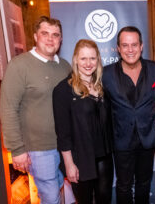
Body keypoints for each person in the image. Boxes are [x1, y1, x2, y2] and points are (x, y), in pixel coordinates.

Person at [0, 16, 71, 203]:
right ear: (35, 37)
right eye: (44, 33)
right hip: (39, 150)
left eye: (55, 35)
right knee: (50, 197)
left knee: (60, 191)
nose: (50, 39)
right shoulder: (19, 66)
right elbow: (8, 109)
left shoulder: (65, 66)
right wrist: (17, 150)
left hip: (65, 146)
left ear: (61, 39)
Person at [102, 26, 155, 204]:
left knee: (144, 183)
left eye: (134, 45)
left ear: (141, 46)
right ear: (118, 49)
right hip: (121, 141)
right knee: (124, 185)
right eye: (125, 45)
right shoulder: (105, 74)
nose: (130, 50)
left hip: (147, 138)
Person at [53, 39, 113, 204]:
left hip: (105, 158)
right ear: (75, 60)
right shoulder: (63, 90)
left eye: (92, 58)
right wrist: (69, 164)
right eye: (83, 58)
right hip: (81, 160)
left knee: (105, 200)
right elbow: (62, 133)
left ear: (98, 60)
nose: (88, 63)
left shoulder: (101, 86)